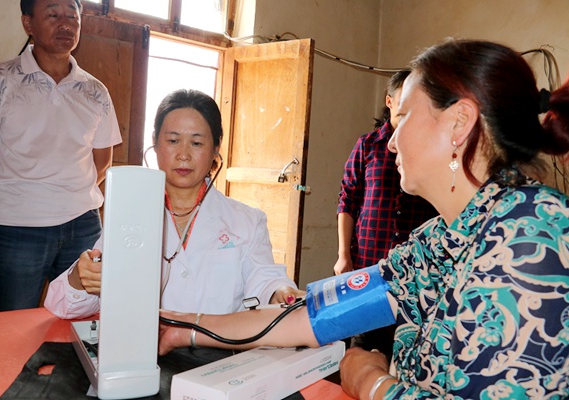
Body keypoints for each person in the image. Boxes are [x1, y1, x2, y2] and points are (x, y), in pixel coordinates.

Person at [156, 39, 569, 399]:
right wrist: (185, 328)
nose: (391, 141)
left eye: (403, 118)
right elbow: (314, 317)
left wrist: (373, 383)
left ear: (458, 123)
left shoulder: (534, 236)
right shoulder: (439, 239)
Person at [45, 89, 304, 320]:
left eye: (196, 143)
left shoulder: (247, 221)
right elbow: (62, 307)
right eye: (173, 141)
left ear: (215, 148)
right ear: (155, 143)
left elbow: (264, 279)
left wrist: (280, 292)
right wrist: (81, 277)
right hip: (148, 352)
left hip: (219, 351)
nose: (183, 155)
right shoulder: (129, 216)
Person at [0, 0, 121, 312]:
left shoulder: (96, 91)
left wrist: (69, 195)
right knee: (12, 325)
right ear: (28, 23)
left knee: (81, 323)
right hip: (16, 229)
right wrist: (14, 198)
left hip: (83, 225)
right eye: (53, 14)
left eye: (72, 16)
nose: (65, 24)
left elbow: (102, 161)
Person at [334, 70, 437, 357]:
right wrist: (344, 254)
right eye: (404, 99)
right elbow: (347, 200)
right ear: (389, 101)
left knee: (403, 347)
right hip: (368, 264)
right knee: (361, 348)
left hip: (414, 270)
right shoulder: (368, 145)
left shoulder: (429, 149)